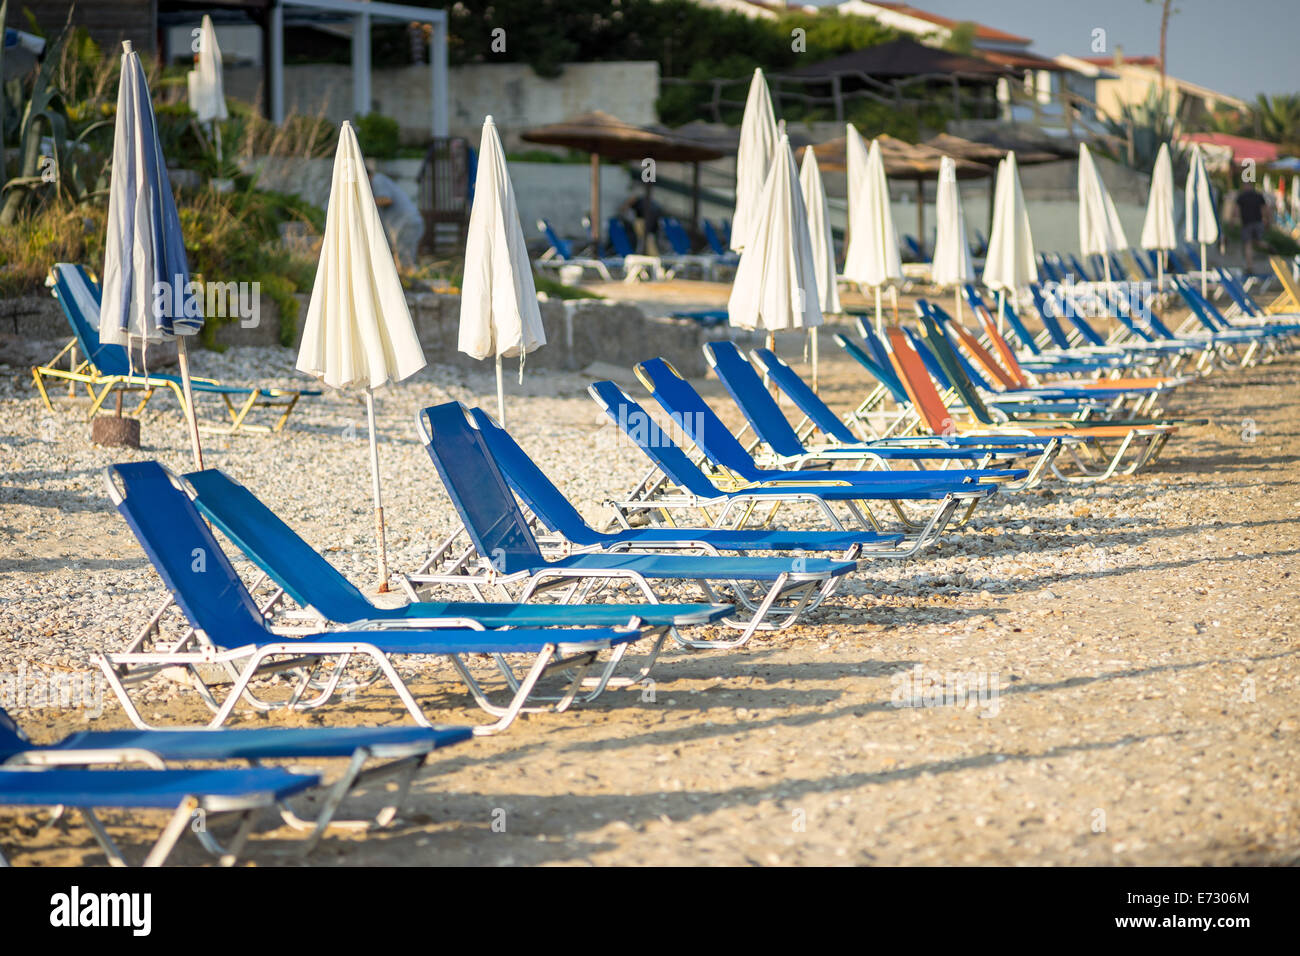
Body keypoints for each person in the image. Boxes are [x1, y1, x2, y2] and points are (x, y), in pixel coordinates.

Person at [1234, 180, 1270, 273]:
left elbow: (1236, 210)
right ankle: (1269, 247)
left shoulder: (1241, 197)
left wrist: (1233, 221)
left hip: (1247, 223)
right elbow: (1265, 209)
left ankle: (1249, 266)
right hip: (1258, 223)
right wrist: (1267, 220)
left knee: (1248, 244)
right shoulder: (1258, 195)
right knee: (1257, 242)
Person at [621, 192, 662, 256]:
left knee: (648, 241)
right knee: (646, 241)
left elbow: (624, 209)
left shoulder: (641, 203)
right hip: (648, 225)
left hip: (648, 225)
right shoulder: (641, 204)